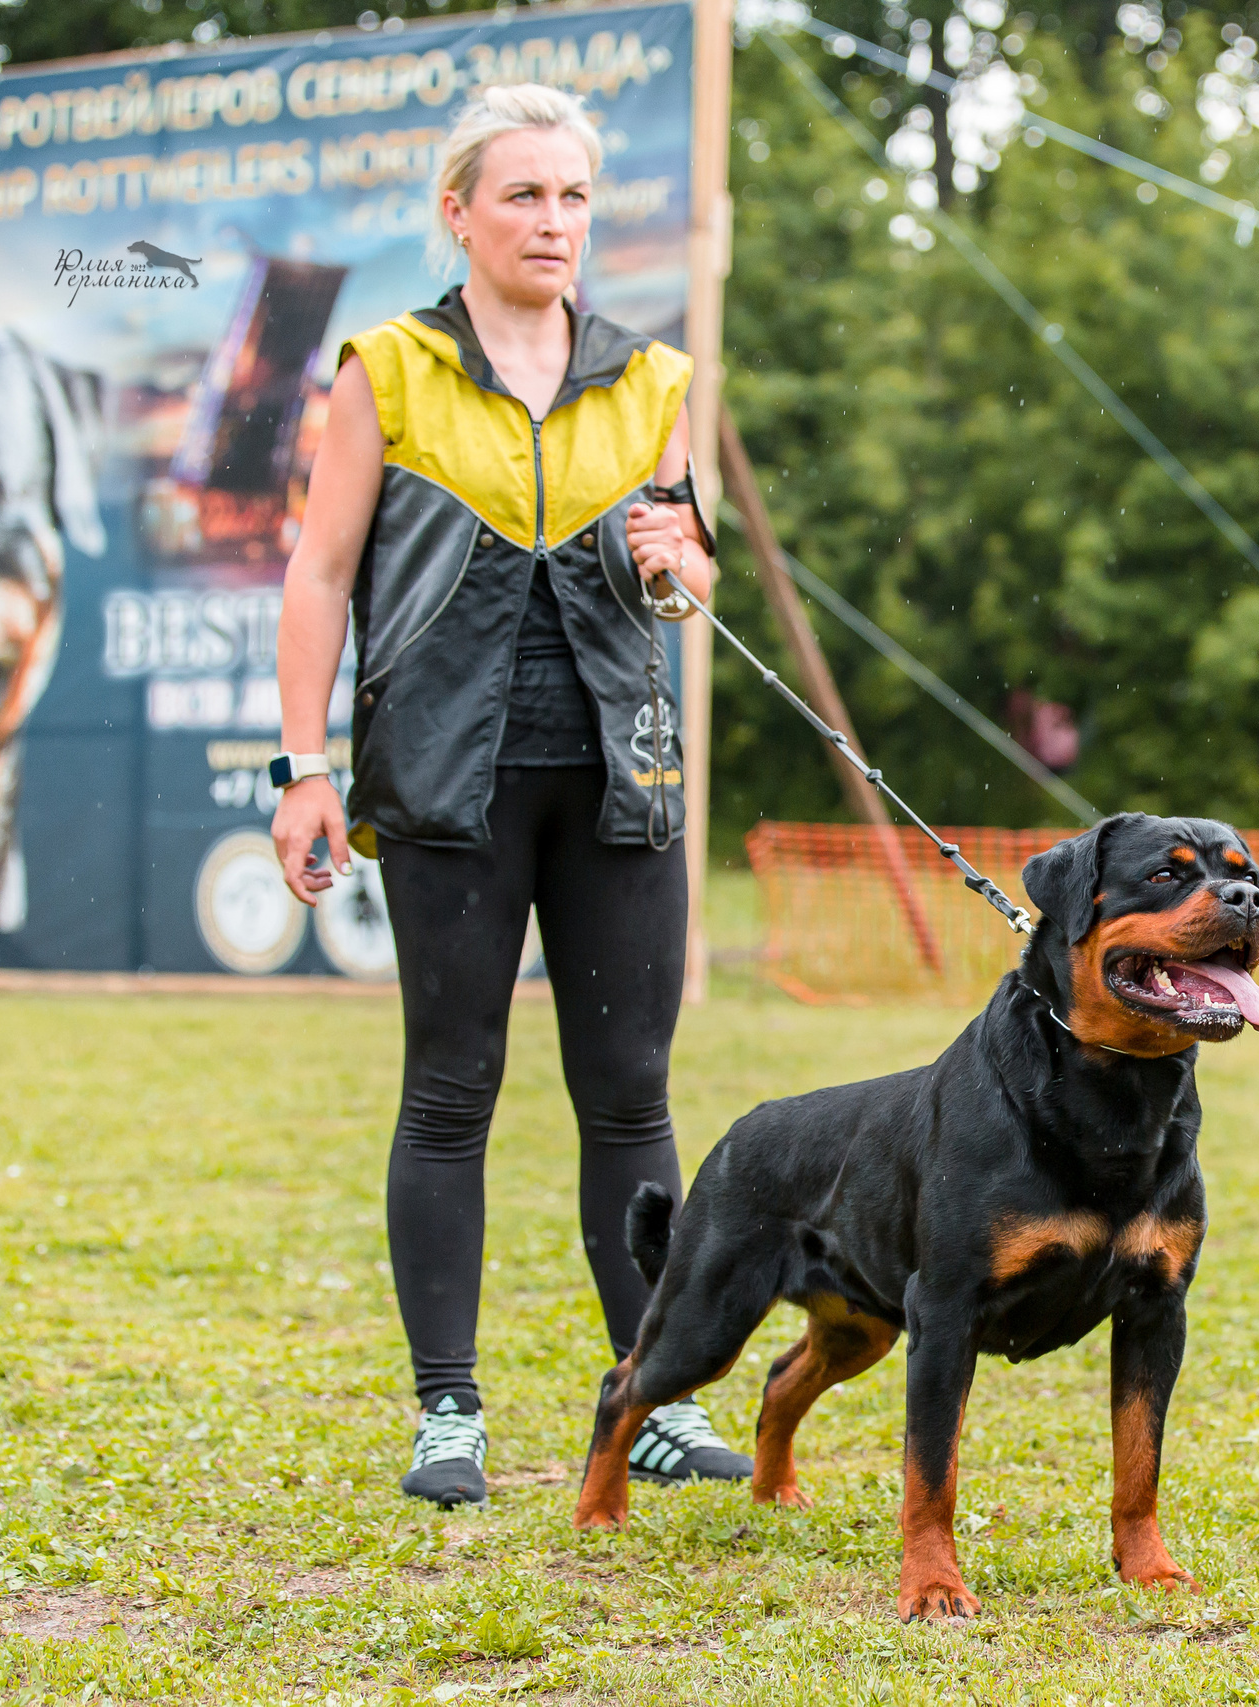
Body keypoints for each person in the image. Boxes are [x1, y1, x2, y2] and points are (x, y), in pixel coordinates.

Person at [269, 82, 749, 1508]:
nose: (554, 221)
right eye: (525, 195)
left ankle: (648, 1401)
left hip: (620, 782)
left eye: (575, 197)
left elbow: (685, 571)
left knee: (631, 1099)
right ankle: (448, 1415)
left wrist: (681, 556)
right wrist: (303, 770)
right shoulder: (390, 369)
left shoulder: (648, 379)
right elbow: (319, 572)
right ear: (459, 213)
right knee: (450, 1093)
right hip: (447, 785)